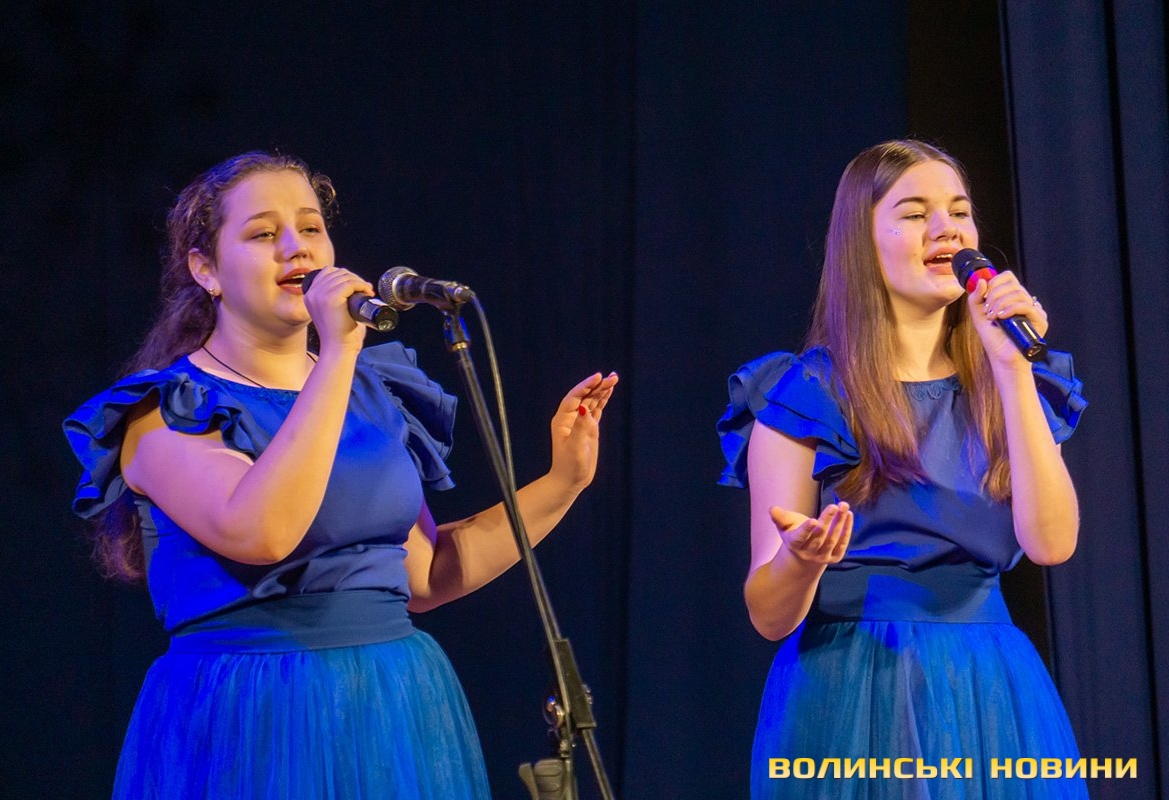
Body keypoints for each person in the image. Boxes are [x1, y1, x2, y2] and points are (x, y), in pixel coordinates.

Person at [63, 151, 618, 799]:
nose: (295, 247)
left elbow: (425, 576)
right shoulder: (164, 411)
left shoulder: (368, 391)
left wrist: (563, 481)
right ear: (205, 269)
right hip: (251, 711)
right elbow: (262, 531)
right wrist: (338, 354)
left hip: (389, 700)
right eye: (263, 233)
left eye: (310, 227)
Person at [717, 140, 1087, 799]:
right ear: (862, 243)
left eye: (959, 212)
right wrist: (801, 562)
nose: (947, 229)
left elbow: (1051, 543)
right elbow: (769, 615)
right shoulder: (804, 395)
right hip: (853, 688)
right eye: (915, 214)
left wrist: (1011, 370)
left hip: (989, 687)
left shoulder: (1011, 384)